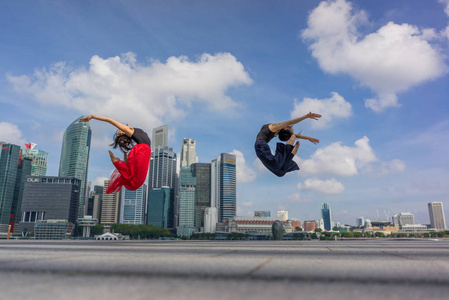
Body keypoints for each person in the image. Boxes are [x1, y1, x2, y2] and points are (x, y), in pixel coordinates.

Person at [80, 115, 151, 194]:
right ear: (124, 134)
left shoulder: (131, 131)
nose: (119, 131)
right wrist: (92, 116)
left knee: (132, 174)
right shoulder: (129, 130)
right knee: (133, 175)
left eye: (118, 133)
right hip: (143, 150)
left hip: (143, 151)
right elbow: (109, 120)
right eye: (119, 133)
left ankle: (117, 162)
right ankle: (116, 162)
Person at [255, 112, 321, 177]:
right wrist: (306, 116)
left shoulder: (278, 130)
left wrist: (309, 138)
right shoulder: (274, 127)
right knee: (276, 165)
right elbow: (291, 122)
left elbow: (296, 135)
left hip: (262, 147)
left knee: (281, 173)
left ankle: (290, 153)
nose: (291, 126)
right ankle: (288, 150)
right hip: (260, 145)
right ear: (285, 128)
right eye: (291, 128)